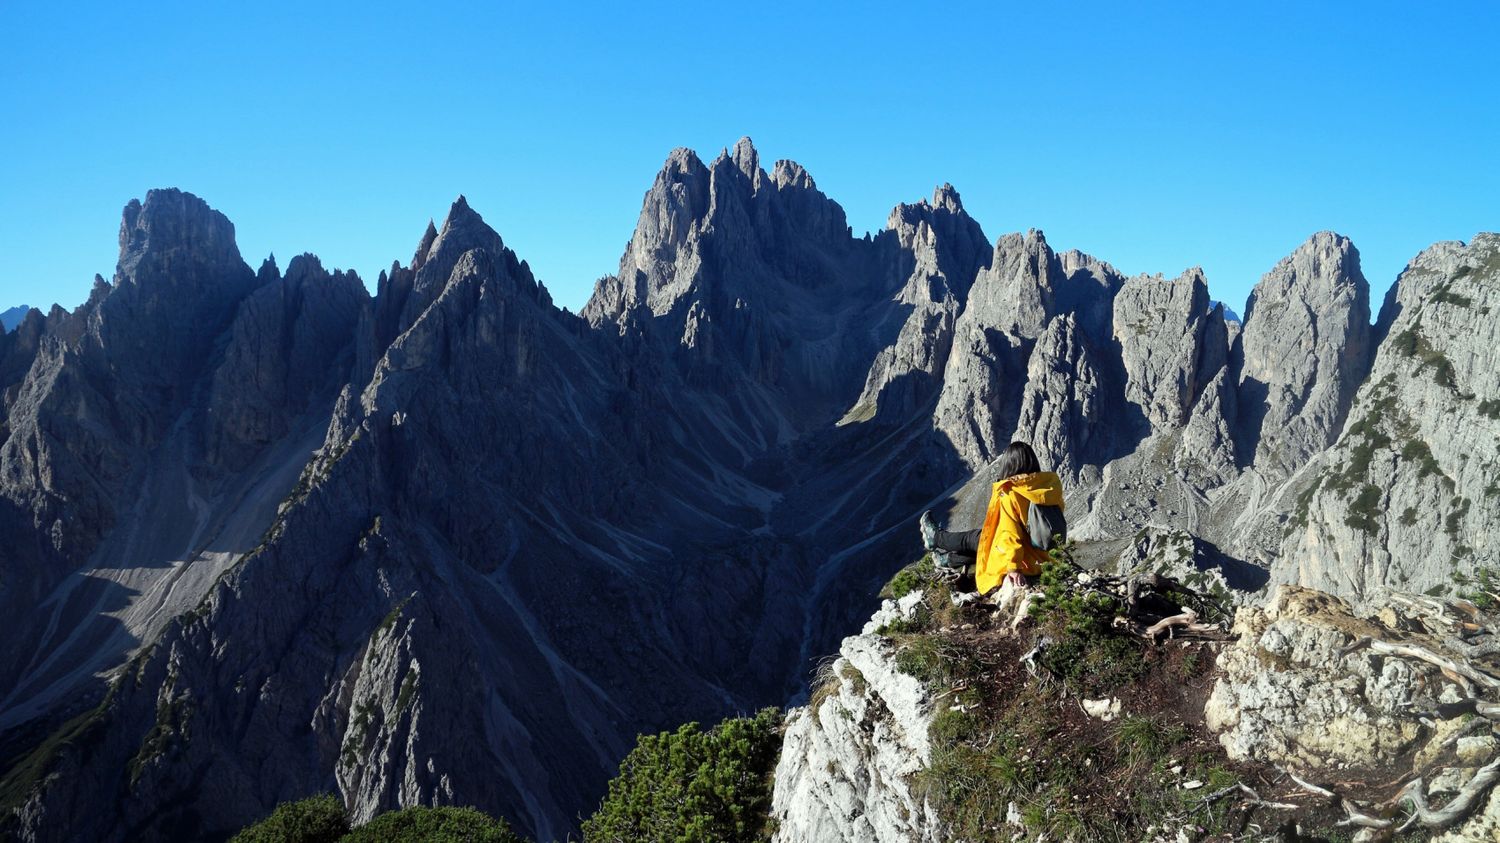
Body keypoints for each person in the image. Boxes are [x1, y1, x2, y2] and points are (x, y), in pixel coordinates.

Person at [919, 441, 1065, 595]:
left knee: (979, 539)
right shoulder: (1049, 487)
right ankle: (947, 559)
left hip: (1026, 561)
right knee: (984, 539)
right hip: (1047, 559)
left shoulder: (1011, 492)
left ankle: (936, 538)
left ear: (1008, 464)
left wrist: (1014, 568)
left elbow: (1010, 534)